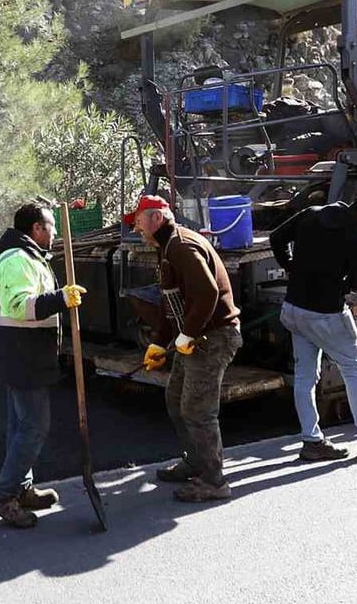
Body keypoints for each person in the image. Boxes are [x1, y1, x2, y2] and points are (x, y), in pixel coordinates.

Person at [269, 188, 357, 461]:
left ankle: (312, 440)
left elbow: (276, 237)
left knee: (305, 376)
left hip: (294, 308)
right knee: (354, 369)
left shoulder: (312, 214)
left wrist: (292, 267)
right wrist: (338, 286)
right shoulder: (355, 237)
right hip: (327, 313)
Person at [126, 195, 242, 502]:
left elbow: (207, 292)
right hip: (198, 337)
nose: (136, 227)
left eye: (138, 221)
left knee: (198, 410)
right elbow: (170, 303)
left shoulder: (181, 246)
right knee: (175, 397)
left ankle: (214, 481)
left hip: (214, 337)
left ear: (157, 218)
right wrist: (158, 343)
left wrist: (188, 334)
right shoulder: (166, 248)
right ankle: (195, 461)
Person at [0, 202, 85, 528]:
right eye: (51, 226)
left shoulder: (29, 257)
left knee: (20, 427)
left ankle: (21, 489)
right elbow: (19, 307)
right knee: (34, 427)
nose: (54, 232)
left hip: (24, 355)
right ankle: (2, 496)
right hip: (22, 356)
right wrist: (60, 298)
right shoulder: (17, 261)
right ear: (37, 229)